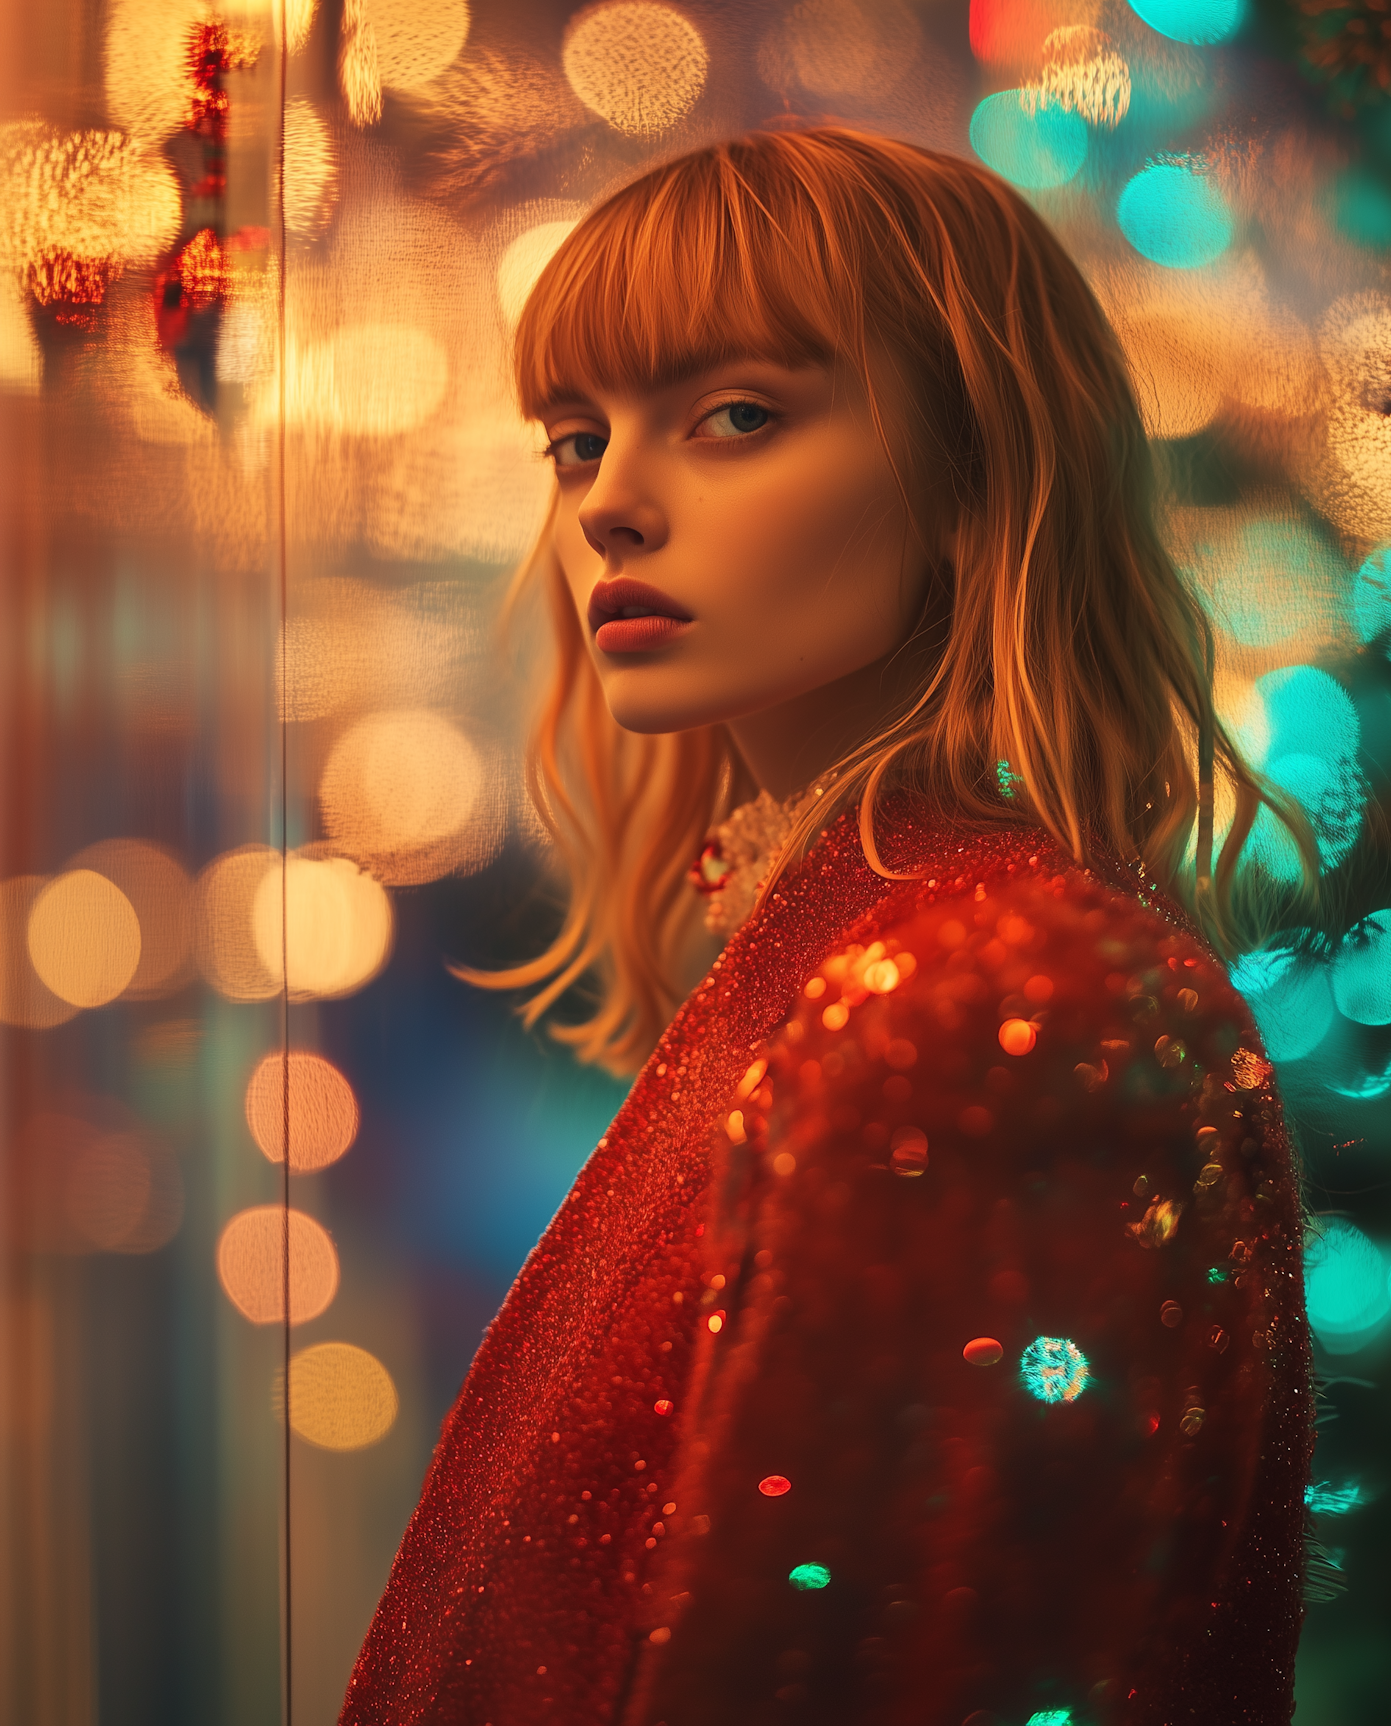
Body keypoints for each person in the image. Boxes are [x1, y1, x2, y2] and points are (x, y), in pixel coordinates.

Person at [341, 128, 1316, 1726]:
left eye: (737, 416)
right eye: (577, 440)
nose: (613, 508)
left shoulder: (993, 996)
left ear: (971, 471)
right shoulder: (846, 949)